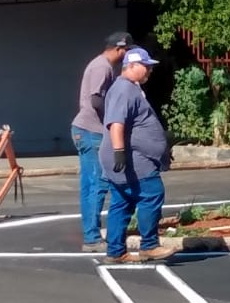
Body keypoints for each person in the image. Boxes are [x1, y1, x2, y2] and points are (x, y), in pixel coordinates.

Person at [99, 46, 172, 263]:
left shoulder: (127, 88)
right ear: (131, 65)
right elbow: (116, 124)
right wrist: (120, 152)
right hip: (130, 157)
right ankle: (149, 245)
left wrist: (157, 147)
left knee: (122, 201)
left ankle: (115, 251)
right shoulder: (123, 89)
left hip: (129, 155)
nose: (149, 70)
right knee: (152, 193)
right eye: (146, 66)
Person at [71, 32, 132, 252]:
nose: (127, 56)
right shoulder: (102, 67)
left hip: (85, 130)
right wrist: (114, 118)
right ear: (119, 49)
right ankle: (92, 238)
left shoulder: (100, 65)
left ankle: (91, 235)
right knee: (97, 185)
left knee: (90, 186)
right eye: (127, 51)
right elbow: (96, 99)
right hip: (91, 131)